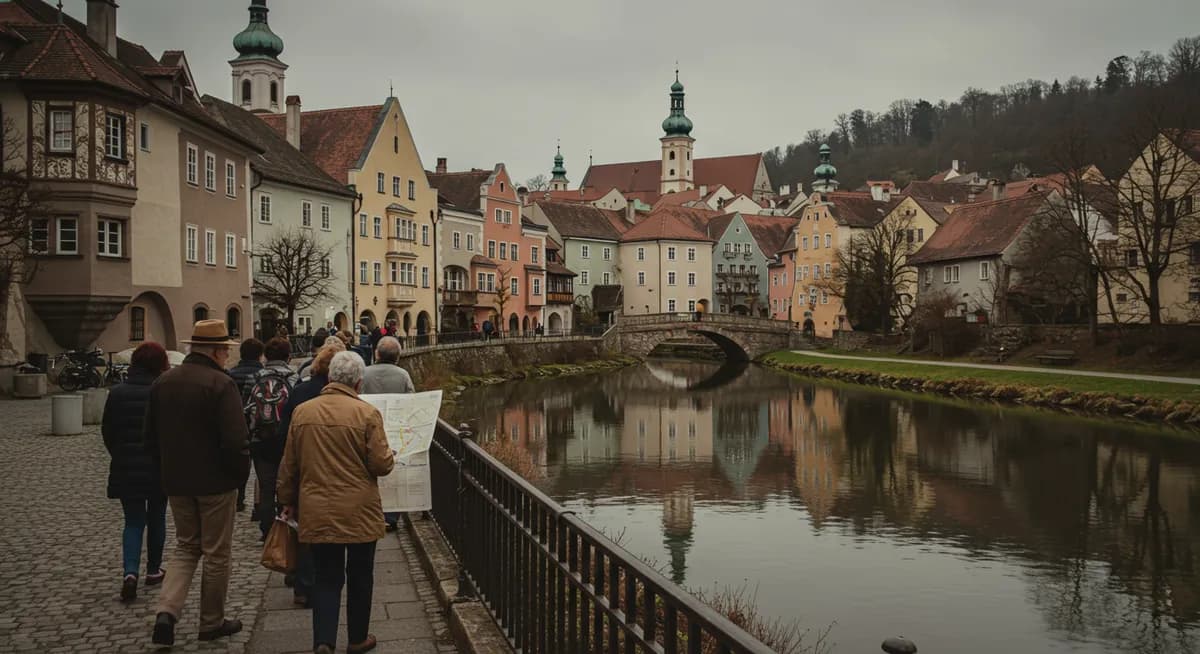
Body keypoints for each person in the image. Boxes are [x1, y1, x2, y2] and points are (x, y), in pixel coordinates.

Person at [278, 352, 395, 654]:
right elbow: (381, 465)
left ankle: (323, 641)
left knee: (326, 577)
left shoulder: (303, 413)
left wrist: (286, 500)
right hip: (359, 509)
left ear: (329, 378)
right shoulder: (367, 414)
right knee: (360, 575)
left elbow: (289, 464)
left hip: (317, 507)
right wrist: (391, 454)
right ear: (358, 382)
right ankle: (357, 639)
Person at [144, 320, 250, 646]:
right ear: (218, 351)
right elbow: (236, 441)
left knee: (186, 547)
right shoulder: (221, 384)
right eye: (225, 351)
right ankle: (211, 621)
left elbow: (149, 438)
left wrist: (166, 470)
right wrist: (239, 479)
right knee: (216, 553)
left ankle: (167, 611)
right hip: (216, 482)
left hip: (177, 481)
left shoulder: (164, 382)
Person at [277, 340, 346, 608]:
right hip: (335, 473)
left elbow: (285, 435)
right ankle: (325, 583)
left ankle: (302, 586)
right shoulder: (346, 399)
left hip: (305, 471)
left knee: (305, 532)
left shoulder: (300, 391)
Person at [102, 342, 171, 603]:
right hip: (157, 466)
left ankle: (130, 572)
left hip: (126, 466)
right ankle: (153, 570)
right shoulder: (161, 391)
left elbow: (108, 431)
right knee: (156, 518)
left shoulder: (117, 392)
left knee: (132, 521)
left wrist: (119, 454)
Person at [247, 337, 299, 539]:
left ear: (265, 356)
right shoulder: (294, 378)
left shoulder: (255, 377)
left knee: (266, 485)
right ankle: (285, 524)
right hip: (285, 439)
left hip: (261, 439)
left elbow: (247, 407)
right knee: (286, 483)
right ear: (288, 356)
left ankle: (266, 529)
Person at [361, 336, 414, 533]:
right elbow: (411, 400)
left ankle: (370, 511)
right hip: (394, 428)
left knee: (369, 470)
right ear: (397, 356)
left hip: (367, 428)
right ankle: (391, 516)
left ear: (377, 354)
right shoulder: (403, 375)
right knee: (392, 470)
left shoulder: (364, 373)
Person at [228, 338, 265, 512]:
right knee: (259, 464)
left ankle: (239, 498)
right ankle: (259, 502)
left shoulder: (231, 374)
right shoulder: (262, 375)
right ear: (260, 355)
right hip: (257, 423)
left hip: (235, 421)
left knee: (240, 461)